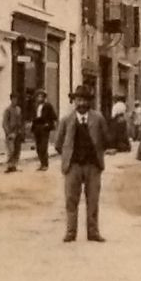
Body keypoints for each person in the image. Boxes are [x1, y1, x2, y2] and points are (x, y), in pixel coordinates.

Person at [54, 87, 108, 242]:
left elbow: (105, 139)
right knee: (71, 199)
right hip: (73, 166)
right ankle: (71, 232)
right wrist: (68, 157)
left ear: (89, 102)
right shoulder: (66, 120)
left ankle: (93, 232)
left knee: (93, 200)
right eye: (78, 100)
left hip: (93, 165)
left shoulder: (98, 119)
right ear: (74, 101)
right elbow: (58, 144)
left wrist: (97, 155)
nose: (82, 103)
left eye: (85, 100)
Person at [31, 90, 59, 171]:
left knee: (43, 146)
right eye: (38, 96)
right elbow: (33, 116)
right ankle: (41, 163)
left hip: (44, 128)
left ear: (44, 98)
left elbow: (54, 117)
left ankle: (45, 164)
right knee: (38, 147)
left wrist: (49, 124)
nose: (39, 98)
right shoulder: (35, 106)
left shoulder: (48, 106)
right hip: (37, 127)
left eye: (41, 96)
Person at [1, 93, 26, 173]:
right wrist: (8, 133)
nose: (15, 101)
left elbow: (21, 121)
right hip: (11, 133)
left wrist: (22, 131)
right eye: (14, 99)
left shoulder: (18, 109)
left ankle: (15, 165)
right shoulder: (8, 110)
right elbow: (4, 123)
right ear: (11, 99)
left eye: (16, 99)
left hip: (17, 132)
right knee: (11, 150)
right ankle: (9, 166)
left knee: (17, 150)